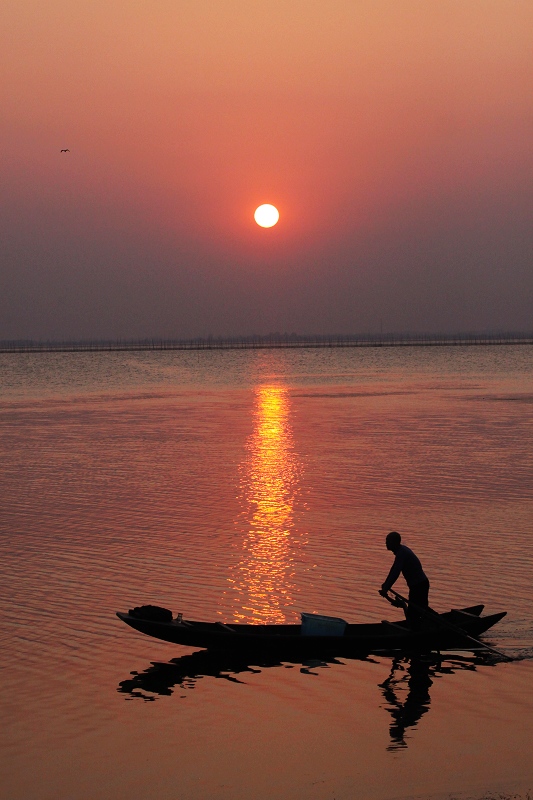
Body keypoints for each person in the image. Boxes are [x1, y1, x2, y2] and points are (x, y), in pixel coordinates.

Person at [379, 531, 430, 625]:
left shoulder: (402, 553)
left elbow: (396, 573)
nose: (386, 543)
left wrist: (386, 588)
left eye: (388, 541)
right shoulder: (400, 552)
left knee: (416, 613)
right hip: (416, 586)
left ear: (394, 542)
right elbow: (393, 569)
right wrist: (386, 584)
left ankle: (427, 627)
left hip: (419, 586)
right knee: (419, 610)